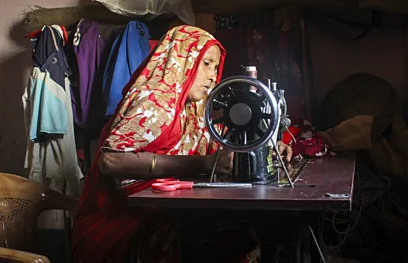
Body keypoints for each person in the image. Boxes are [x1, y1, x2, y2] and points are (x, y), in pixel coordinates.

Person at [72, 25, 293, 263]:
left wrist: (267, 149)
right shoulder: (153, 102)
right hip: (123, 219)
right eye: (206, 63)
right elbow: (110, 160)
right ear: (181, 59)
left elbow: (223, 146)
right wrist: (201, 164)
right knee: (204, 239)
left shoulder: (198, 109)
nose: (212, 75)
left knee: (240, 233)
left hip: (169, 209)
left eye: (215, 67)